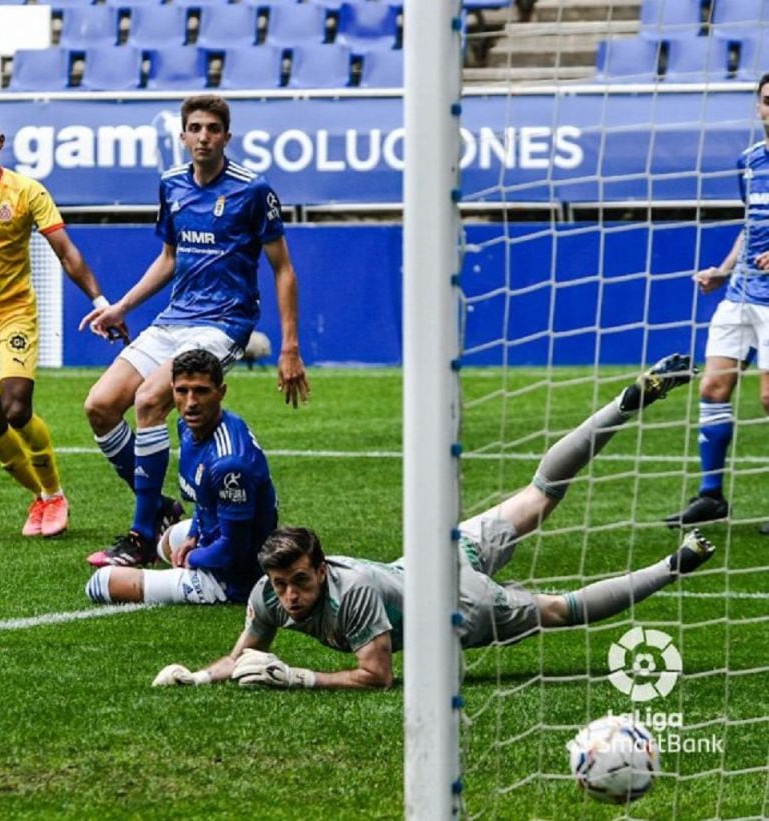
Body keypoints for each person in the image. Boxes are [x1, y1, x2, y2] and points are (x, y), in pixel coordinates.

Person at [152, 355, 717, 691]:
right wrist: (198, 676)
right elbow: (243, 654)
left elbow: (377, 676)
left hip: (455, 603)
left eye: (300, 581)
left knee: (556, 609)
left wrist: (299, 677)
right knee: (540, 495)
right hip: (428, 556)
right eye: (281, 585)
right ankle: (624, 405)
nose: (291, 596)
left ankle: (672, 565)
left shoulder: (354, 594)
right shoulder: (267, 596)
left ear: (322, 569)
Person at [81, 94, 310, 569]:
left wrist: (289, 347)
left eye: (212, 128)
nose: (203, 136)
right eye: (195, 128)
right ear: (183, 136)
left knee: (148, 402)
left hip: (224, 323)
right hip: (174, 320)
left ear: (226, 135)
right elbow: (169, 258)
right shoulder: (172, 185)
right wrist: (121, 306)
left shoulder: (253, 191)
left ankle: (141, 535)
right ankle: (162, 507)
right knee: (100, 407)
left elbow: (283, 269)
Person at [0, 104, 126, 538]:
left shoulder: (27, 192)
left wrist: (101, 300)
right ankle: (43, 497)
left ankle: (54, 492)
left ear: (0, 142)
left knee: (15, 408)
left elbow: (66, 252)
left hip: (15, 314)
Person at [86, 349, 278, 604]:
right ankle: (180, 572)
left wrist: (194, 558)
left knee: (100, 584)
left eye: (201, 391)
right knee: (167, 541)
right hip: (216, 533)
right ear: (172, 389)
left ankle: (195, 582)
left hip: (232, 576)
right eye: (182, 391)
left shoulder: (229, 464)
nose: (190, 403)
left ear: (220, 392)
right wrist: (193, 536)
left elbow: (234, 550)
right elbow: (203, 500)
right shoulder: (189, 427)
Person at [665, 71, 769, 530]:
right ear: (758, 106)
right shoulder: (749, 162)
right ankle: (711, 496)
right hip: (741, 291)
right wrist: (722, 271)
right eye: (768, 100)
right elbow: (750, 228)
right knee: (712, 388)